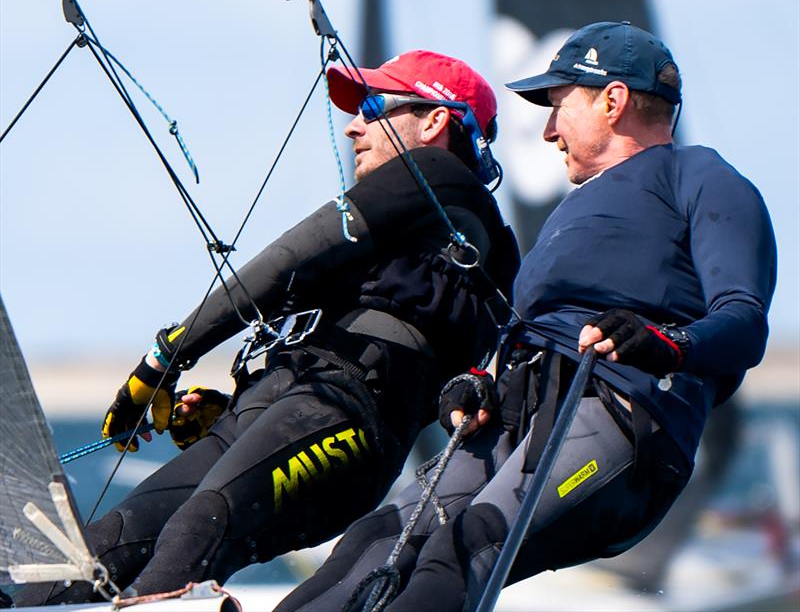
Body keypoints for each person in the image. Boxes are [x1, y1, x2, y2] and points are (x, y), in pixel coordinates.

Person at [275, 21, 777, 612]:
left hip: (618, 412)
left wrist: (662, 343)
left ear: (612, 102)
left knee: (459, 552)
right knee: (373, 542)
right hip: (519, 411)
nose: (546, 131)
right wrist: (481, 376)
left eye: (558, 106)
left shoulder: (699, 177)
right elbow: (524, 328)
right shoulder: (573, 214)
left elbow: (744, 321)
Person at [14, 50, 519, 606]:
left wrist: (164, 358)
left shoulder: (443, 179)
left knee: (195, 533)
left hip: (349, 420)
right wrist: (241, 405)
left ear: (434, 120)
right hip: (286, 400)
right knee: (93, 553)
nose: (354, 124)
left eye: (375, 106)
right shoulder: (417, 228)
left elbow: (284, 261)